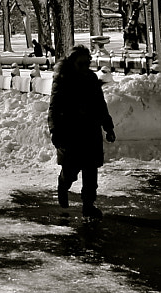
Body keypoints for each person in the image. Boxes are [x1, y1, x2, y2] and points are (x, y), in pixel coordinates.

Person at [48, 45, 115, 217]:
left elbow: (100, 105)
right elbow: (54, 108)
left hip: (90, 130)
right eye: (81, 63)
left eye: (87, 63)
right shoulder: (62, 79)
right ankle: (63, 184)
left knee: (91, 170)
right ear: (72, 63)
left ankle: (88, 204)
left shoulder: (91, 79)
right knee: (71, 168)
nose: (85, 67)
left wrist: (108, 126)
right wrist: (55, 130)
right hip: (71, 132)